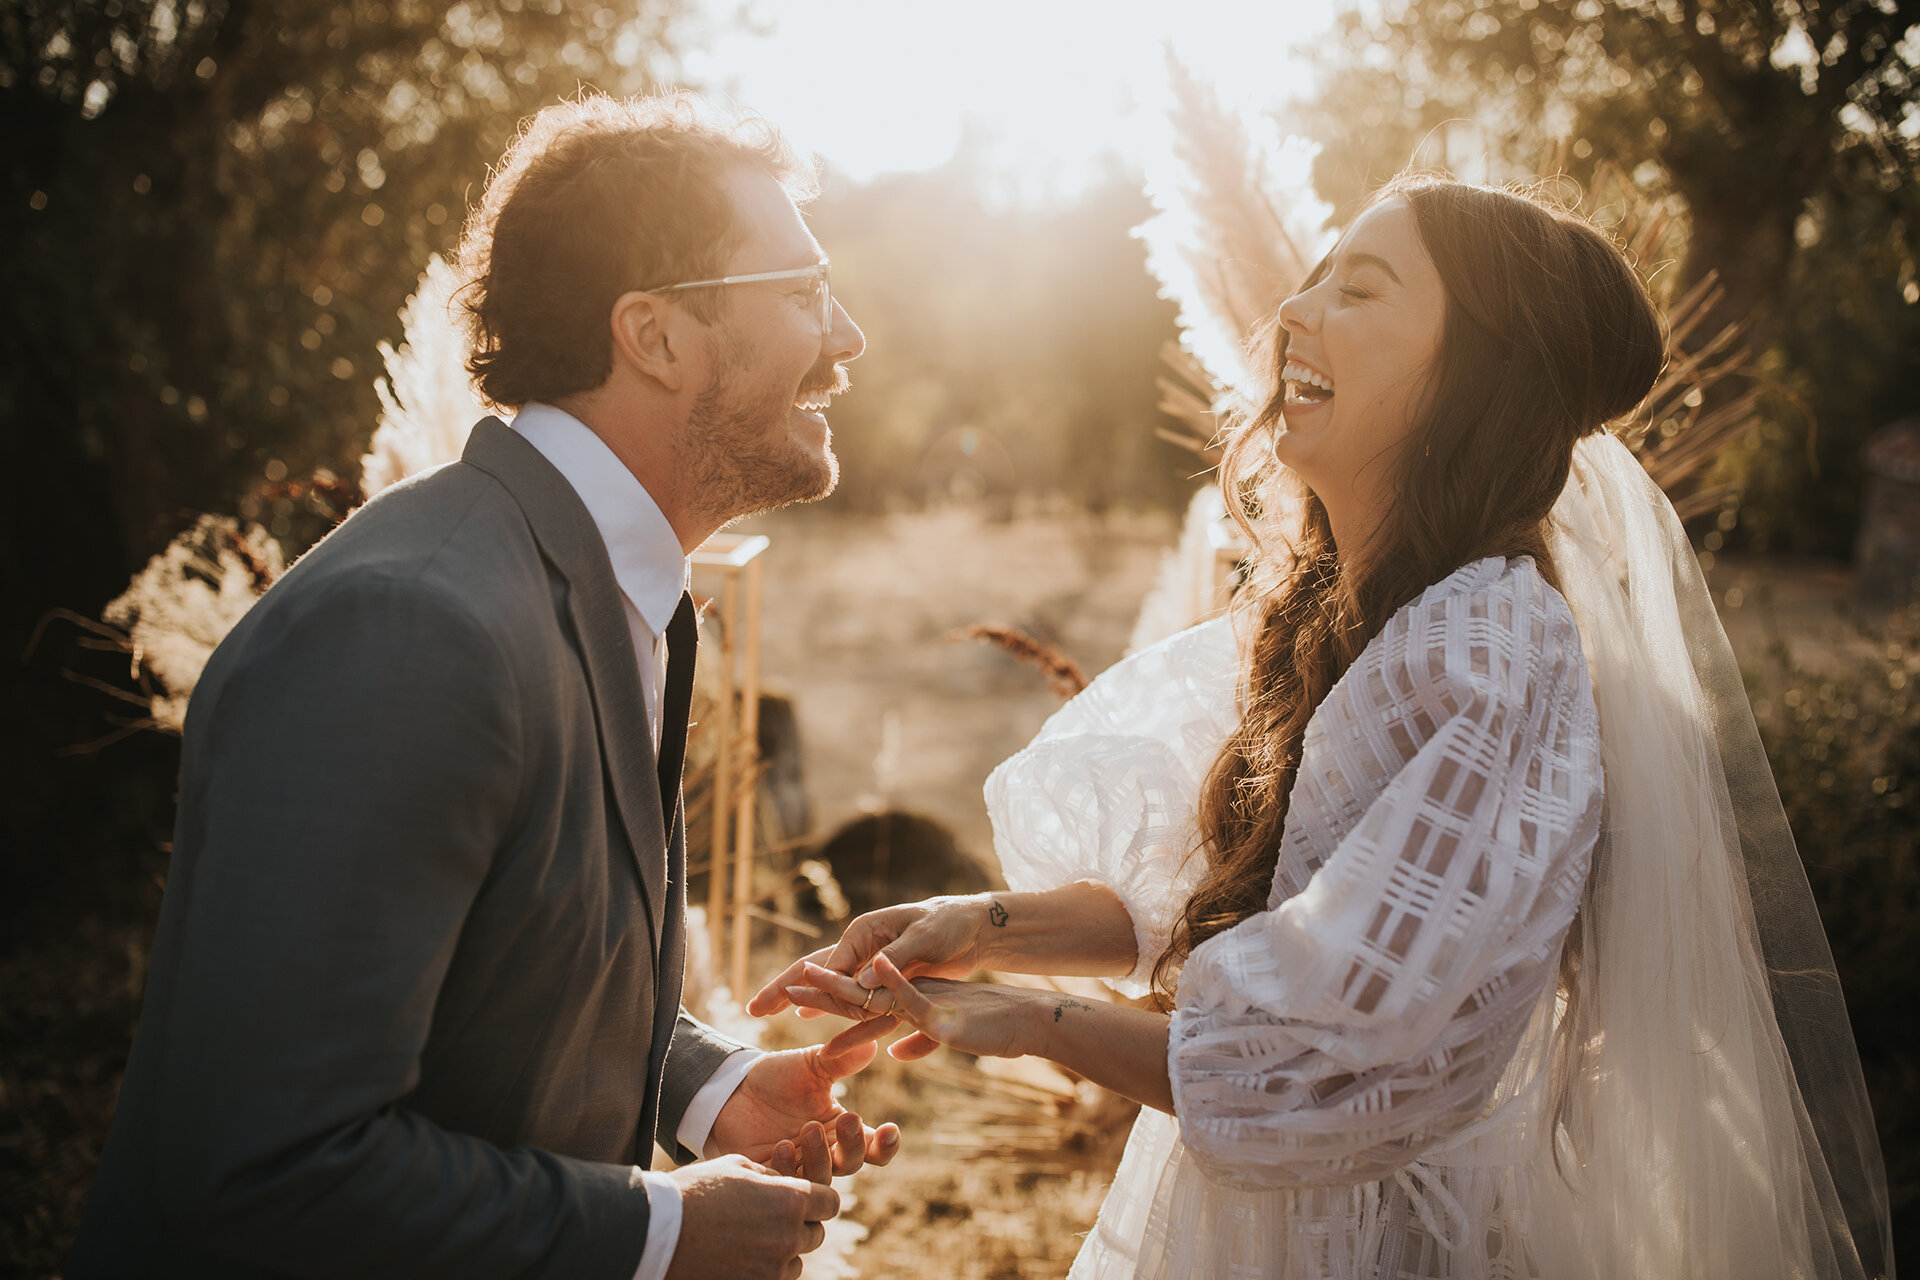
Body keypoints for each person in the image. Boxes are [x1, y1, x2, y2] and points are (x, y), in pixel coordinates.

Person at [757, 177, 1894, 1278]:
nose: (1294, 310)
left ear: (1477, 376)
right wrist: (983, 924)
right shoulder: (1333, 604)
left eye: (1362, 289)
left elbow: (1324, 1058)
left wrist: (1033, 1020)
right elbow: (1214, 896)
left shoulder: (1489, 651)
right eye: (1316, 279)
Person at [70, 93, 897, 1280]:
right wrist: (659, 1229)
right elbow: (267, 1163)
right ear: (654, 336)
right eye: (804, 289)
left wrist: (711, 1088)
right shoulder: (408, 632)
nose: (849, 335)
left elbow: (501, 966)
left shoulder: (623, 589)